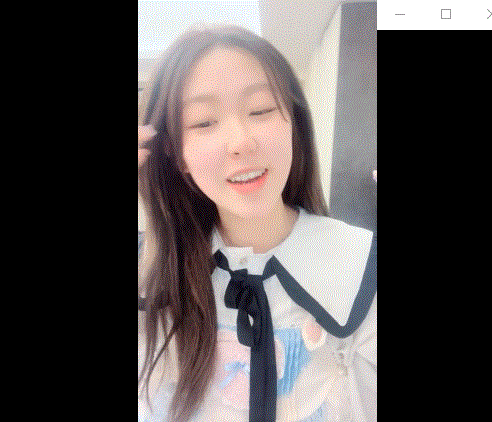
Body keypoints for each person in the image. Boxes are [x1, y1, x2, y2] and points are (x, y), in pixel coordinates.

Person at [138, 24, 376, 422]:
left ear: (293, 123)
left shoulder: (359, 268)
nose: (241, 142)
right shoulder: (152, 279)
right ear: (176, 155)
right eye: (203, 122)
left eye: (261, 110)